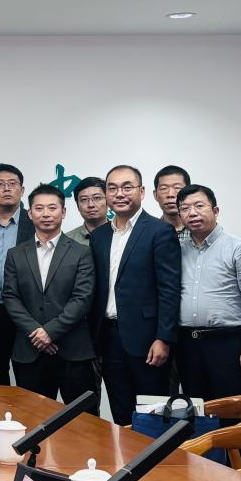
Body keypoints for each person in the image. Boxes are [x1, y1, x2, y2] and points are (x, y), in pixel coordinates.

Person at [89, 165, 182, 425]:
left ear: (141, 192)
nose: (119, 193)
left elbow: (169, 289)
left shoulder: (159, 231)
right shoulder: (99, 236)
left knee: (153, 415)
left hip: (148, 339)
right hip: (108, 337)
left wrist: (163, 338)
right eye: (112, 188)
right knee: (121, 412)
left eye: (127, 187)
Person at [2, 185, 99, 412]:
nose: (46, 214)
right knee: (33, 419)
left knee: (84, 422)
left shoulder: (81, 252)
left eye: (52, 208)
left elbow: (82, 298)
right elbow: (10, 297)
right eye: (39, 208)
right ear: (30, 213)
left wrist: (50, 332)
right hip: (30, 350)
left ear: (63, 212)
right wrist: (37, 332)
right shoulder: (16, 254)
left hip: (73, 351)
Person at [175, 184, 241, 401]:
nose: (192, 213)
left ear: (215, 210)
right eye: (185, 208)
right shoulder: (178, 251)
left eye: (199, 206)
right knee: (197, 411)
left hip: (226, 344)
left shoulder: (239, 248)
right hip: (186, 345)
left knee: (230, 411)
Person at [0, 163, 36, 386]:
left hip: (27, 310)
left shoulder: (35, 223)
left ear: (22, 190)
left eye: (12, 184)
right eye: (0, 184)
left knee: (30, 374)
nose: (6, 188)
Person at [65, 177, 109, 247]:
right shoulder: (66, 240)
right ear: (77, 205)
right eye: (84, 199)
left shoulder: (121, 235)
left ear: (108, 201)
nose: (91, 205)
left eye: (97, 198)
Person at [153, 165, 191, 237]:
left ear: (189, 193)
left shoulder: (202, 230)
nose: (170, 194)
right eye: (164, 188)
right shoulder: (150, 232)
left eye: (177, 188)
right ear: (155, 195)